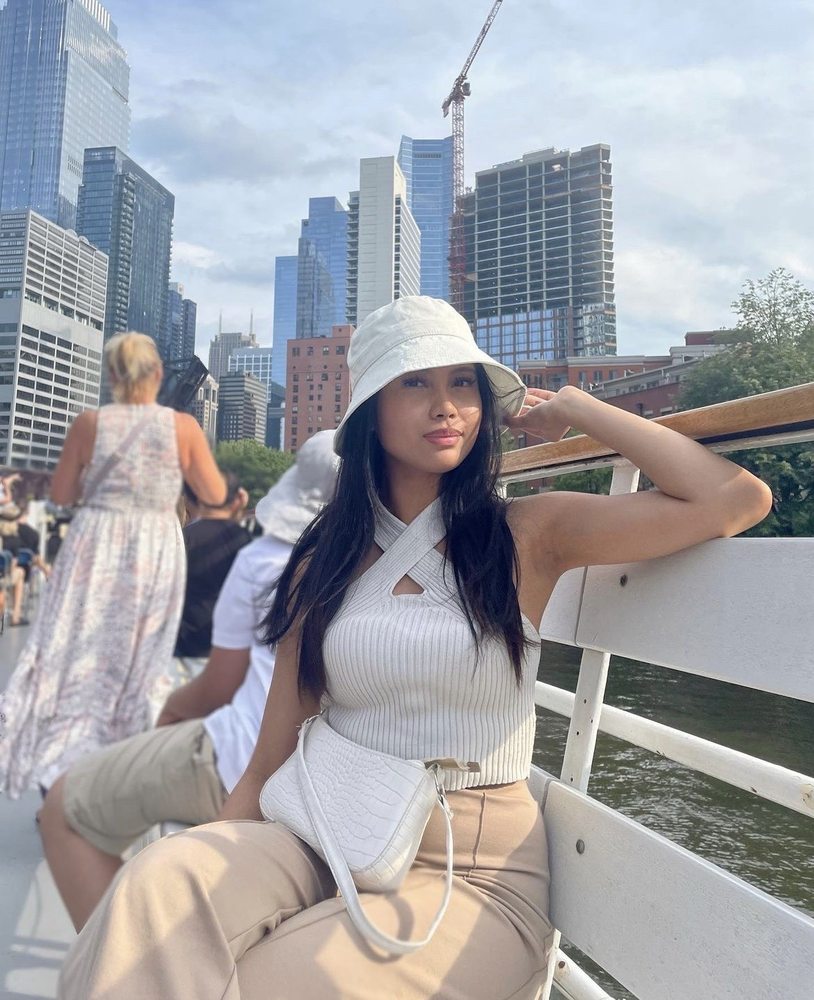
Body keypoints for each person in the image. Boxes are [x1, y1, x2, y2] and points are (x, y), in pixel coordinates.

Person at [58, 297, 772, 1000]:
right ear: (371, 411)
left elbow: (734, 501)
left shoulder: (527, 534)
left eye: (463, 382)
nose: (446, 406)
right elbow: (272, 750)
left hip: (471, 867)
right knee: (153, 892)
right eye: (415, 383)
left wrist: (576, 408)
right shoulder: (325, 561)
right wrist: (213, 859)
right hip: (320, 830)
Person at [39, 430, 339, 930]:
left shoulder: (256, 557)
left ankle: (126, 956)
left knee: (68, 809)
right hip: (342, 793)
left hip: (228, 738)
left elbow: (219, 685)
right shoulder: (387, 576)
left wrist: (171, 711)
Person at [0, 332, 226, 799]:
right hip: (154, 548)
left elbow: (62, 495)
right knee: (140, 657)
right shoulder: (183, 427)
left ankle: (64, 768)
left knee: (80, 651)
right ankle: (126, 771)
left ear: (112, 378)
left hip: (95, 546)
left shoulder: (90, 424)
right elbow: (214, 493)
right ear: (157, 374)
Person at [174, 473, 251, 662]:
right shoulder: (246, 540)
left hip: (186, 644)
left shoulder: (184, 538)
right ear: (235, 499)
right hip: (233, 647)